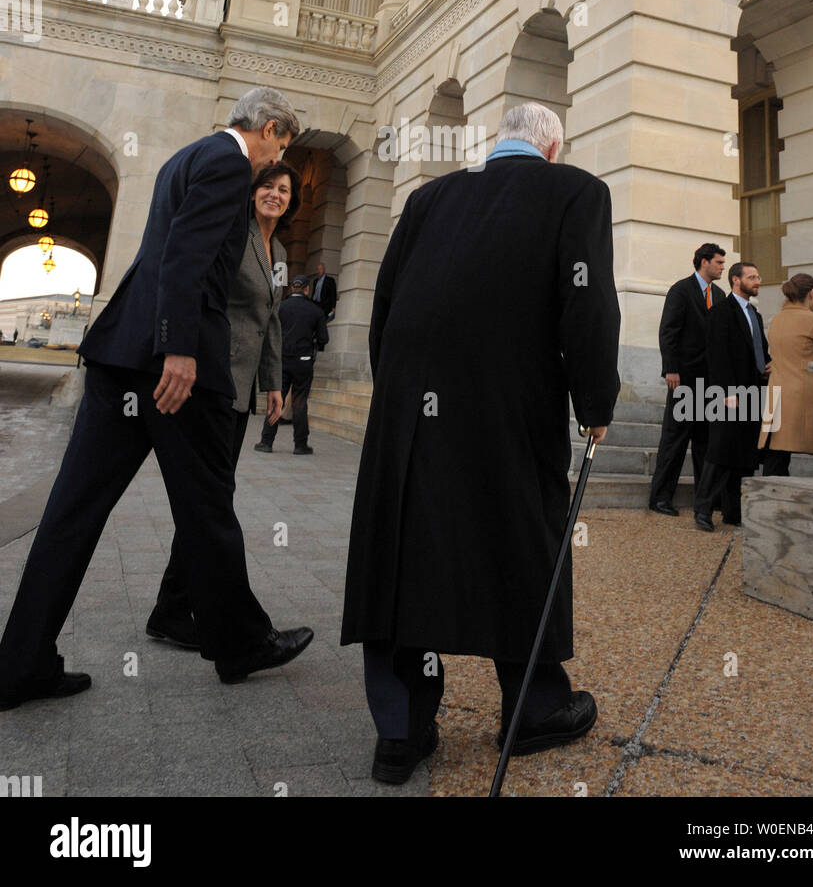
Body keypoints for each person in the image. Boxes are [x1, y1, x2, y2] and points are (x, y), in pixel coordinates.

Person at [0, 87, 313, 711]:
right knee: (208, 509)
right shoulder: (228, 161)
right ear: (270, 127)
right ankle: (242, 643)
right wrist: (178, 347)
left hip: (120, 357)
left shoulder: (184, 157)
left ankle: (19, 664)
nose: (277, 159)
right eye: (281, 144)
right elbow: (186, 255)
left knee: (72, 511)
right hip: (170, 371)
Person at [340, 102, 620, 785]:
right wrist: (594, 400)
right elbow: (588, 302)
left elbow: (385, 299)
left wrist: (398, 392)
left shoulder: (429, 196)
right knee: (520, 540)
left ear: (500, 145)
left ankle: (401, 731)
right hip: (509, 404)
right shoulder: (577, 189)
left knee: (404, 550)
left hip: (410, 404)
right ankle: (533, 710)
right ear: (552, 147)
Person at [146, 160, 301, 648]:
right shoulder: (234, 232)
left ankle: (172, 609)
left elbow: (270, 320)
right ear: (252, 192)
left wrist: (273, 383)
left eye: (284, 190)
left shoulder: (277, 250)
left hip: (241, 386)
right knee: (211, 501)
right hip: (211, 377)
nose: (275, 194)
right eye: (268, 186)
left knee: (210, 499)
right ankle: (189, 615)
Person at [649, 244, 726, 516]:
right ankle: (660, 499)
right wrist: (671, 369)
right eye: (718, 262)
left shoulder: (719, 294)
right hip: (683, 380)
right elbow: (668, 331)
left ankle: (705, 499)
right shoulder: (681, 290)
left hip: (709, 382)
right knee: (675, 440)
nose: (722, 267)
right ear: (704, 262)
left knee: (705, 442)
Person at [693, 262, 771, 532]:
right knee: (720, 452)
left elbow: (759, 349)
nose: (757, 281)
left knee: (745, 454)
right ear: (736, 280)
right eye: (752, 277)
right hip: (728, 394)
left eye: (757, 276)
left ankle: (734, 512)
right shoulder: (720, 313)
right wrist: (726, 392)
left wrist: (767, 366)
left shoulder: (755, 315)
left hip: (753, 392)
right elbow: (716, 356)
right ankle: (702, 509)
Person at [759, 273, 813, 477]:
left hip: (777, 395)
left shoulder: (776, 320)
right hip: (806, 396)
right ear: (811, 293)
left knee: (776, 456)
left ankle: (769, 504)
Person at [256, 276, 328, 456]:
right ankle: (300, 444)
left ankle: (266, 442)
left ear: (292, 289)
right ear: (306, 289)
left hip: (281, 359)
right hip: (303, 361)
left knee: (276, 399)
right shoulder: (316, 311)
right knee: (300, 401)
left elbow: (269, 332)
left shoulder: (281, 307)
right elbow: (323, 339)